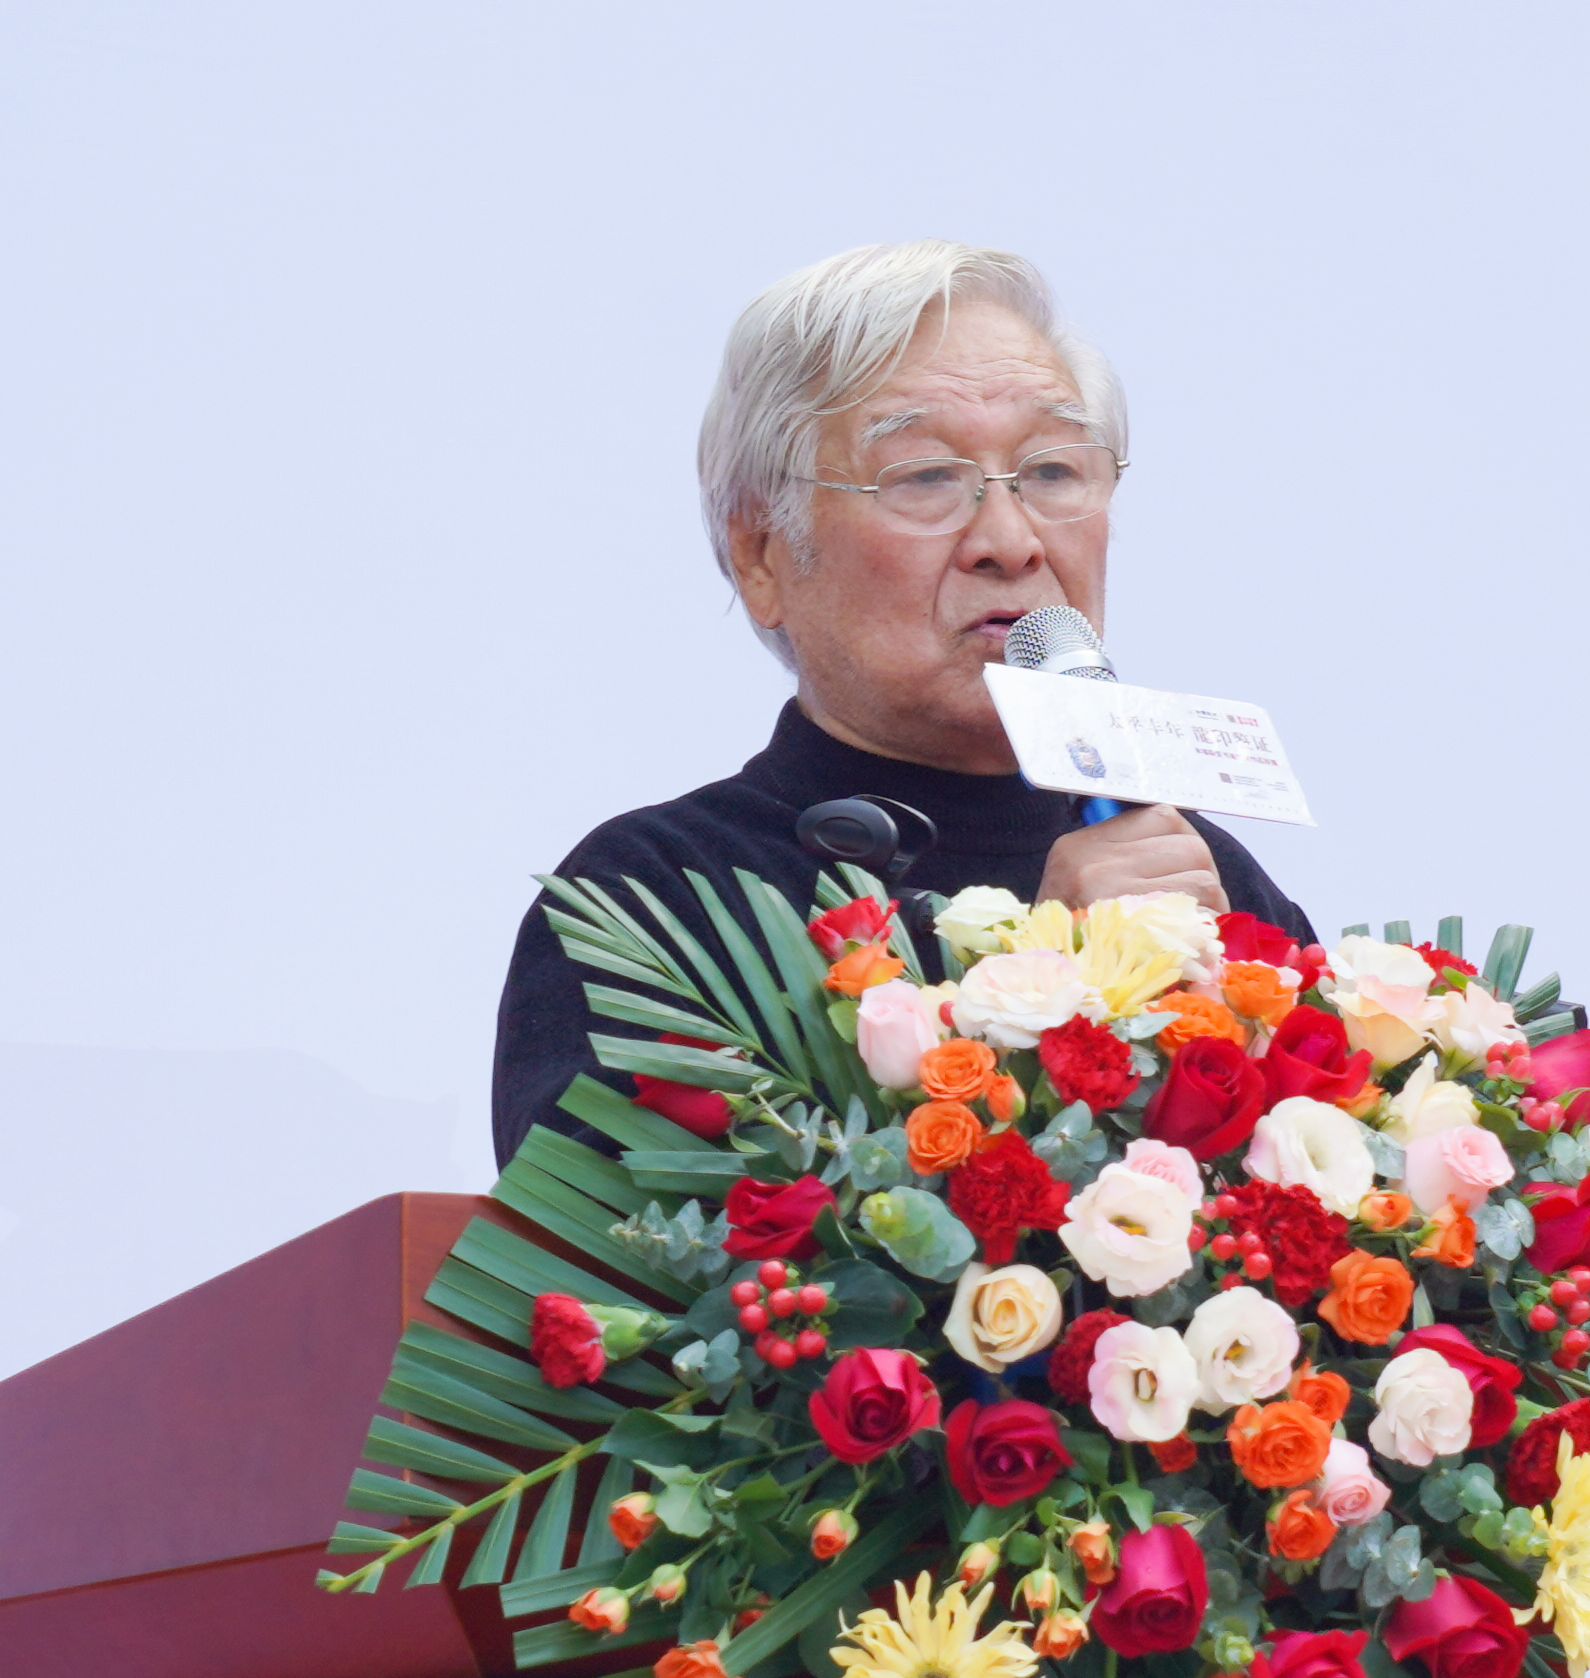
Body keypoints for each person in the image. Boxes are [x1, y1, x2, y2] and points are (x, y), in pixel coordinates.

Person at [487, 240, 1319, 1165]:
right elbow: (615, 1235)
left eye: (1051, 472)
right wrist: (1045, 983)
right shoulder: (659, 897)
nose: (1010, 540)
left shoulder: (1201, 881)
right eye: (926, 477)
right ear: (763, 555)